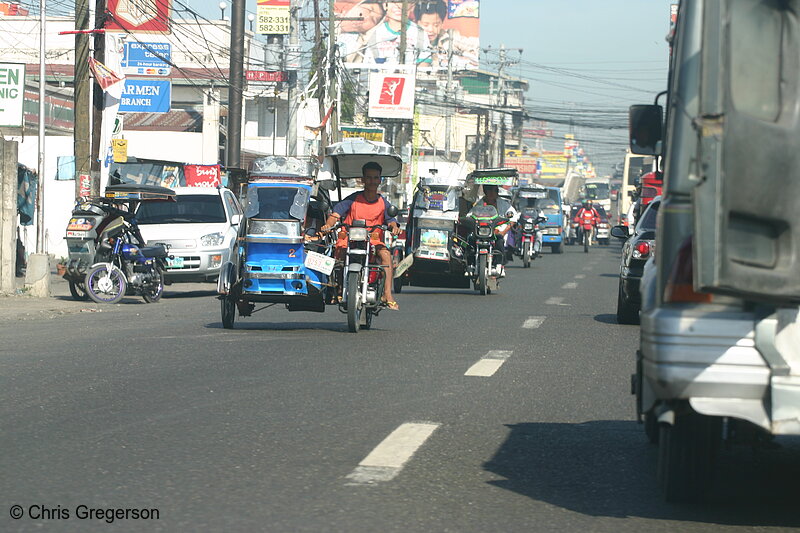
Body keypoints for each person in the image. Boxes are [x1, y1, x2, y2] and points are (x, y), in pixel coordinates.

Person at [321, 162, 401, 310]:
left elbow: (391, 221)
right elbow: (335, 215)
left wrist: (394, 227)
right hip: (350, 238)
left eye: (375, 178)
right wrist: (328, 224)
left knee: (385, 255)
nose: (372, 181)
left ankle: (387, 294)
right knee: (338, 252)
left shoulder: (383, 202)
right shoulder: (352, 199)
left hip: (374, 239)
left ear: (379, 180)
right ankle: (338, 288)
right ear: (363, 179)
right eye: (369, 178)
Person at [363, 1, 433, 65]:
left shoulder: (419, 33)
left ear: (412, 6)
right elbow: (369, 66)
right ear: (385, 5)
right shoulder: (376, 33)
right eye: (393, 1)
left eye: (403, 2)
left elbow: (424, 64)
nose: (399, 6)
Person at [471, 184, 518, 276]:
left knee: (499, 241)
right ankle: (471, 264)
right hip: (481, 232)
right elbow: (470, 215)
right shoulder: (479, 204)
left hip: (498, 232)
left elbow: (513, 218)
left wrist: (504, 231)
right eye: (490, 190)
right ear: (485, 191)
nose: (492, 193)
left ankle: (499, 265)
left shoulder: (504, 204)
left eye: (494, 190)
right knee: (470, 240)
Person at [413, 0, 448, 67]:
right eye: (425, 25)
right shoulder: (411, 41)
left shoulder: (448, 39)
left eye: (436, 25)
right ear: (417, 23)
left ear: (442, 23)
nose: (431, 30)